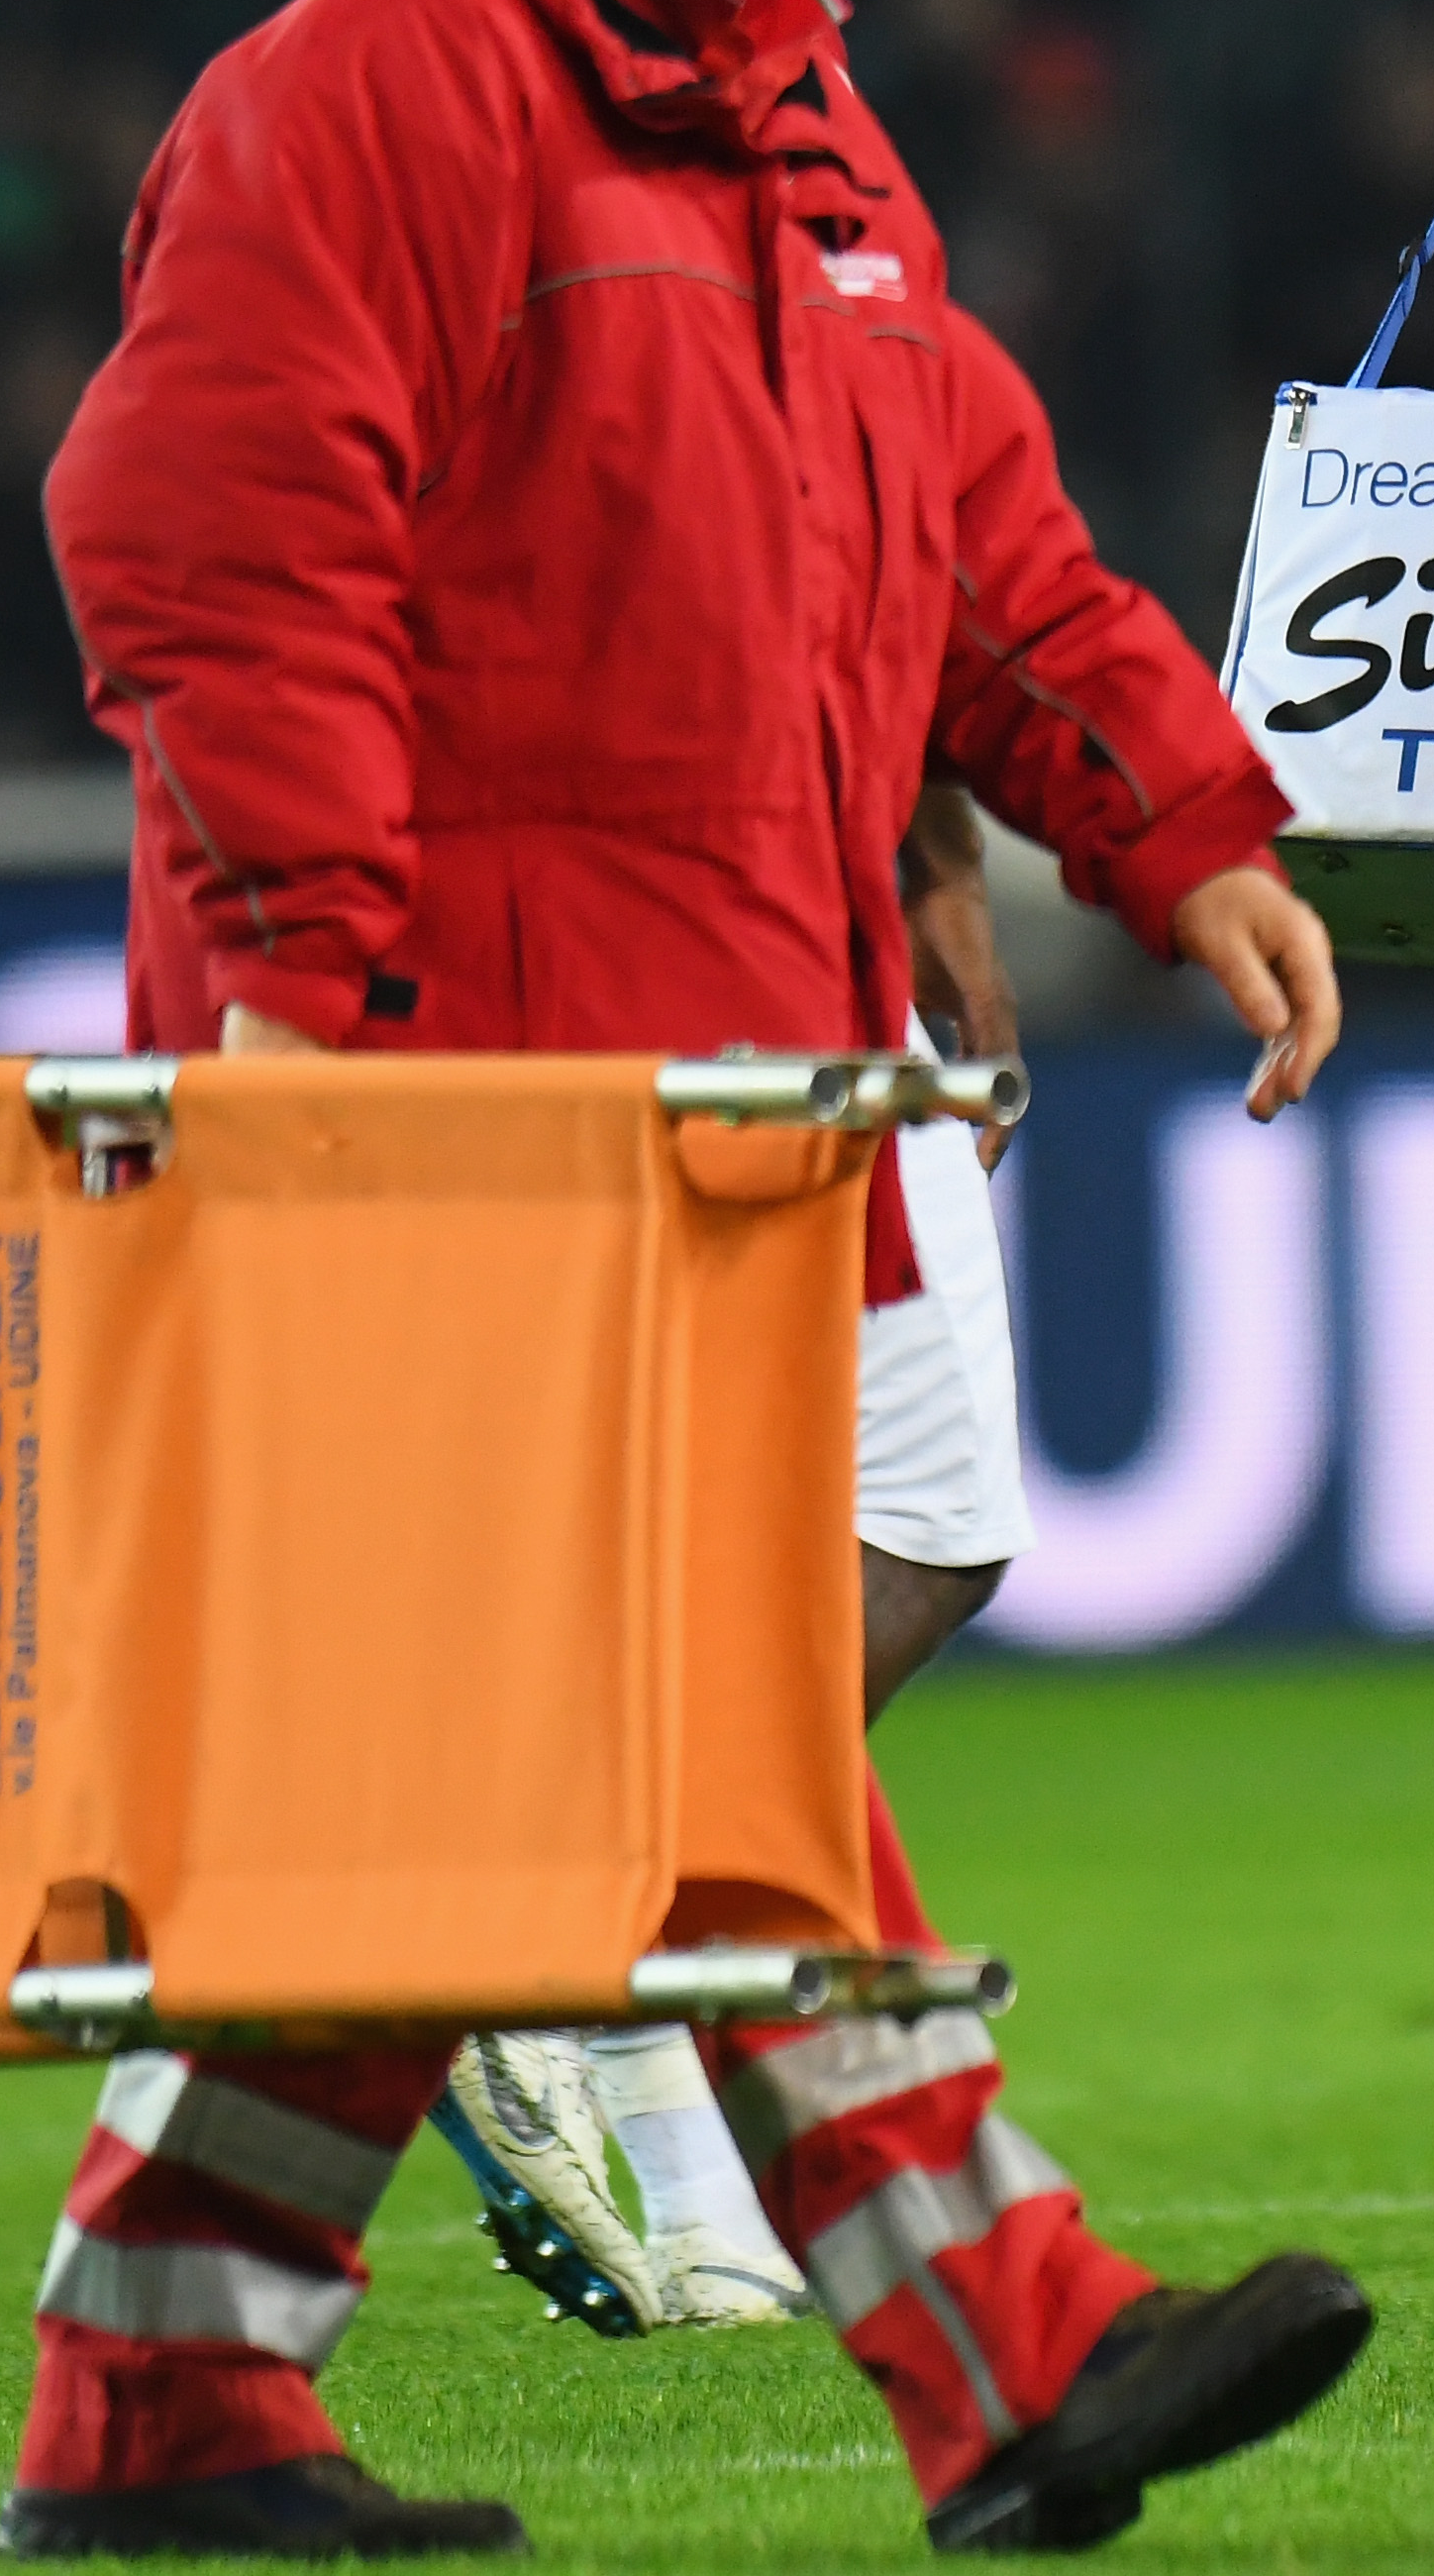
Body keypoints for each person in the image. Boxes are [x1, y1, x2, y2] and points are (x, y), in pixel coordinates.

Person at [17, 0, 1370, 2558]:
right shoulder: (359, 96)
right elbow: (205, 547)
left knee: (493, 1773)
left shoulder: (808, 131)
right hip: (455, 1101)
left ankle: (158, 2404)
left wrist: (1179, 821)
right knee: (695, 1724)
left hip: (743, 1096)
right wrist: (323, 994)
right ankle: (1011, 2342)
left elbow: (980, 539)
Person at [438, 785, 1040, 2336]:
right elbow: (921, 649)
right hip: (750, 930)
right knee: (928, 1522)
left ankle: (695, 2187)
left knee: (727, 1546)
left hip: (631, 925)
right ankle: (547, 1937)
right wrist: (957, 901)